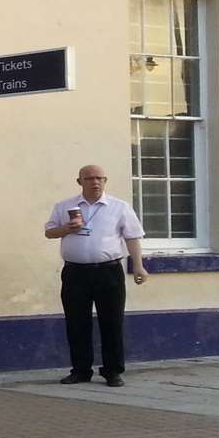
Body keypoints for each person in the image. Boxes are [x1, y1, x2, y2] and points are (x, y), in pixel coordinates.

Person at [44, 165, 148, 387]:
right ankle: (81, 370)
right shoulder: (64, 206)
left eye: (100, 178)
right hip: (75, 272)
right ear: (79, 181)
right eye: (89, 178)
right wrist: (67, 229)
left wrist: (138, 266)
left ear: (105, 180)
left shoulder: (119, 207)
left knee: (112, 322)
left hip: (108, 271)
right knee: (76, 322)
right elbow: (49, 232)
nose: (95, 182)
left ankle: (112, 371)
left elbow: (132, 237)